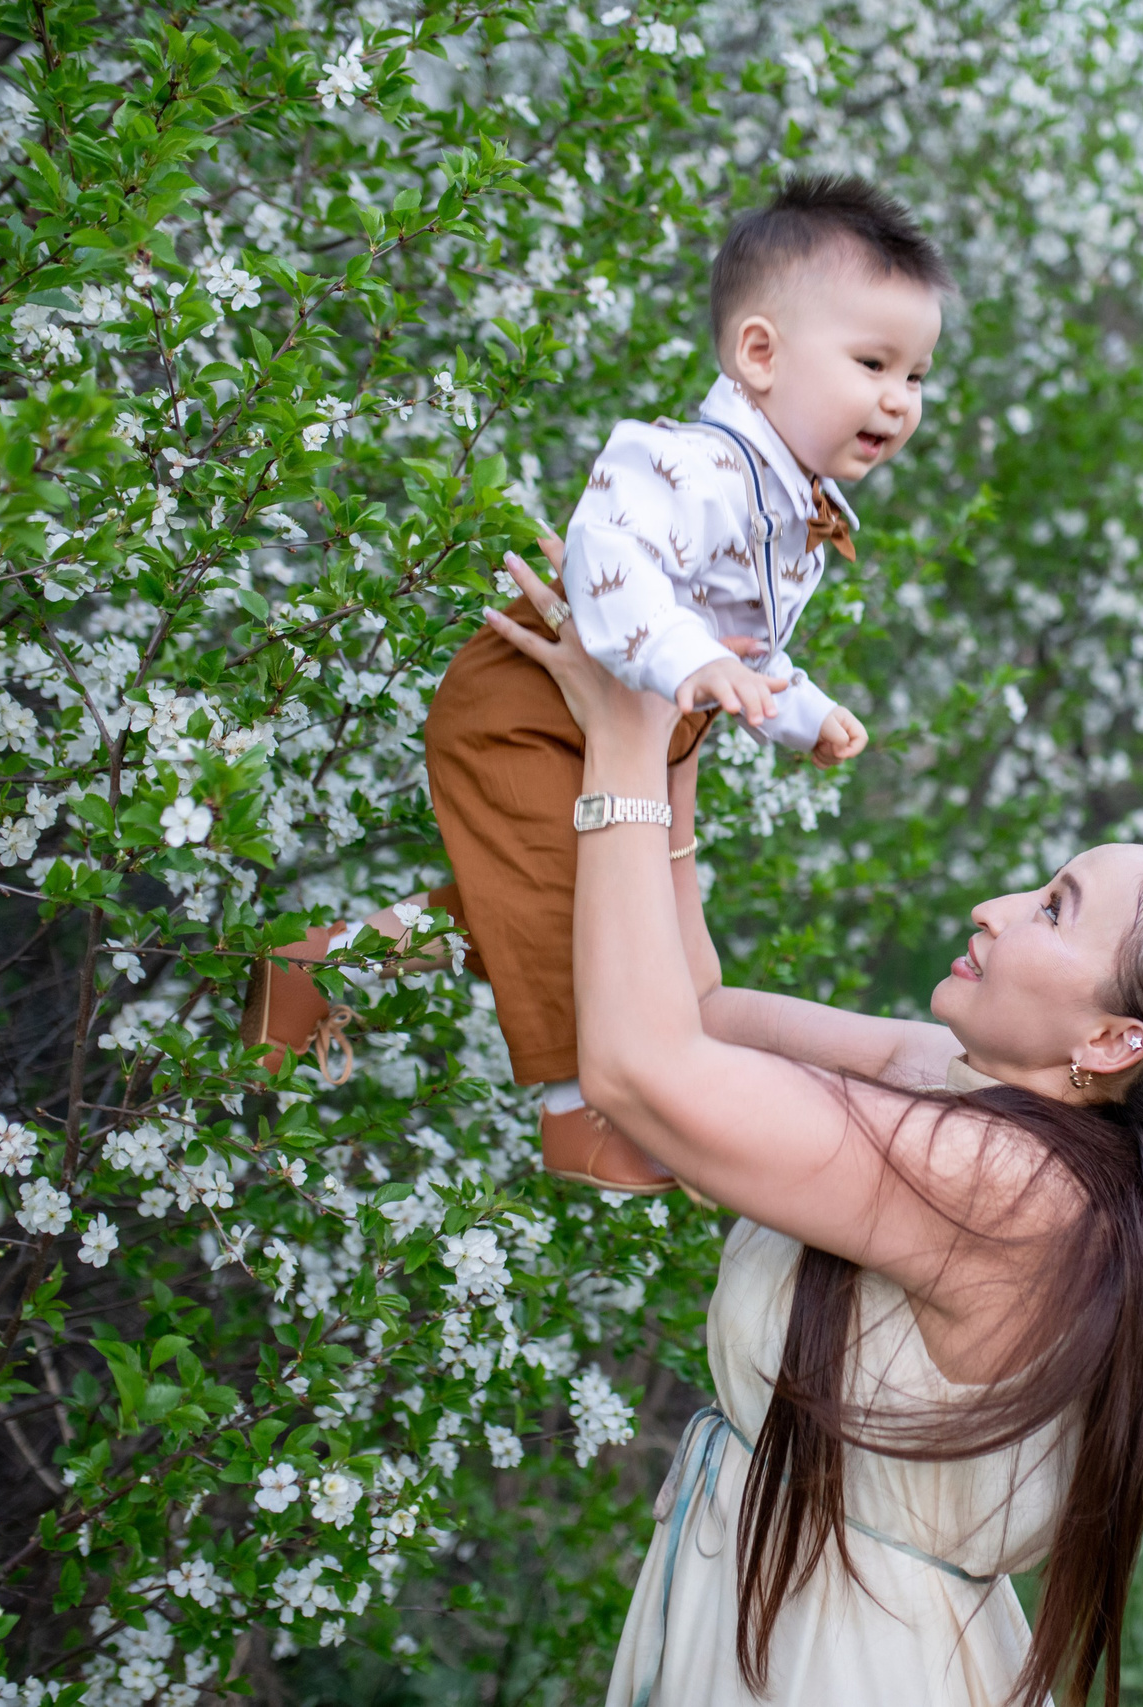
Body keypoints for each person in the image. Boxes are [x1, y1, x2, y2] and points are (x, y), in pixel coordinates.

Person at [476, 559, 1143, 1706]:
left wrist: (624, 747)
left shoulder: (1014, 1187)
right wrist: (670, 725)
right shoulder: (955, 1080)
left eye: (1051, 911)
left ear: (1110, 1044)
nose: (992, 909)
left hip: (839, 1665)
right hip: (765, 1605)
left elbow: (643, 1074)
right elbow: (690, 1017)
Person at [240, 176, 952, 1196]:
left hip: (624, 720)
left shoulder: (793, 503)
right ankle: (577, 1115)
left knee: (541, 908)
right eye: (873, 364)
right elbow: (605, 555)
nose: (899, 398)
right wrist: (686, 664)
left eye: (918, 375)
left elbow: (746, 648)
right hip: (532, 712)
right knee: (582, 922)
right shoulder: (685, 461)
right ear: (760, 355)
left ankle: (327, 965)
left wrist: (801, 716)